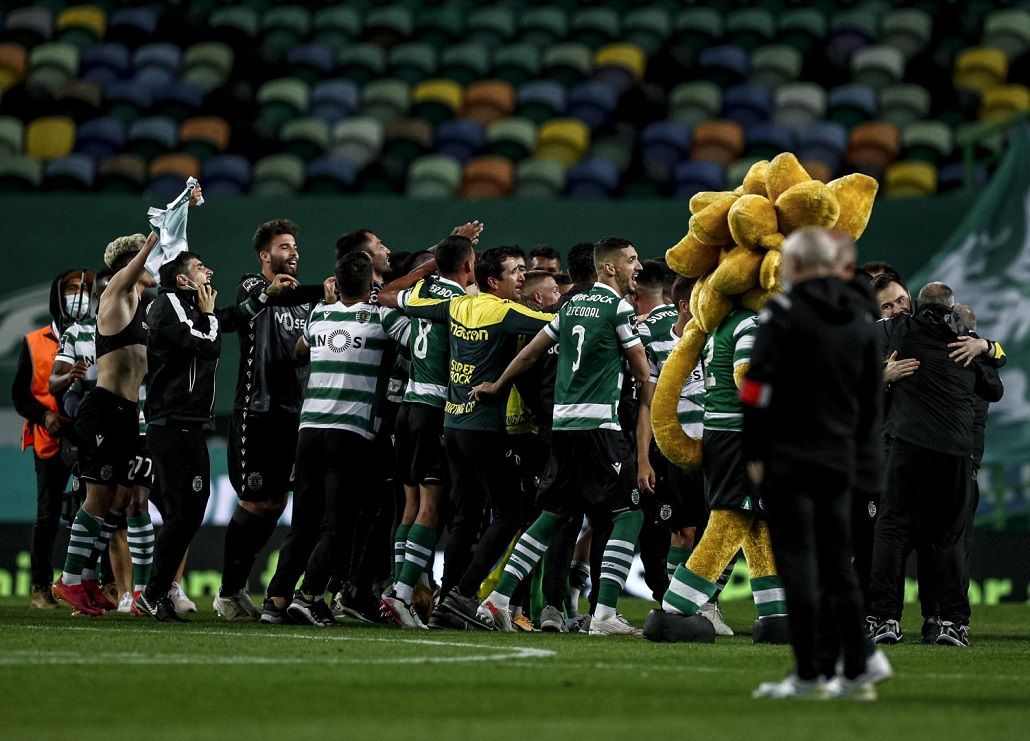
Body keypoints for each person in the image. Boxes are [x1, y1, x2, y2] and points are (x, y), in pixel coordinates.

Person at [472, 237, 650, 635]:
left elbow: (531, 352)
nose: (637, 267)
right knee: (628, 513)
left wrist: (497, 384)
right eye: (631, 260)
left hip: (564, 428)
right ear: (609, 269)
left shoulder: (569, 308)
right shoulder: (619, 309)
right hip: (600, 429)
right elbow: (641, 371)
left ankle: (498, 600)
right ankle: (604, 615)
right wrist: (647, 411)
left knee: (553, 514)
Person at [743, 228, 892, 700]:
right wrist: (867, 461)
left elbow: (755, 389)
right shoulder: (862, 318)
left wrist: (755, 451)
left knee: (798, 565)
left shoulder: (783, 313)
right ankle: (858, 663)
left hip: (790, 456)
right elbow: (872, 400)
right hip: (843, 457)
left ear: (793, 265)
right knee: (837, 565)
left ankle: (811, 674)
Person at [378, 245, 553, 630]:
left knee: (466, 514)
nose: (522, 277)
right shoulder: (505, 312)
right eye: (515, 272)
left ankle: (444, 598)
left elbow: (392, 298)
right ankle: (463, 593)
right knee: (510, 514)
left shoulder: (456, 305)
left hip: (452, 426)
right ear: (491, 279)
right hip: (484, 430)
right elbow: (552, 323)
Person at [264, 252, 410, 626]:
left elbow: (300, 350)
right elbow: (410, 338)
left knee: (304, 523)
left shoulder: (319, 314)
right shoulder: (382, 317)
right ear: (371, 284)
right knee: (340, 523)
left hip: (309, 429)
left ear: (336, 281)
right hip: (351, 433)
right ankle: (309, 596)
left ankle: (276, 601)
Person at [866, 282, 1004, 647]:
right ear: (953, 306)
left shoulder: (899, 329)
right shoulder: (968, 340)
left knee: (892, 530)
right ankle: (951, 622)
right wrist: (985, 346)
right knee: (949, 537)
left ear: (916, 304)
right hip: (956, 452)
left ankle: (883, 619)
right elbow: (995, 389)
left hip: (908, 445)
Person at [214, 219, 331, 621]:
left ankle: (239, 585)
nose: (292, 252)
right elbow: (273, 299)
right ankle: (228, 592)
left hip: (293, 413)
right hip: (256, 410)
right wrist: (325, 290)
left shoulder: (305, 304)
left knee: (275, 504)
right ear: (266, 256)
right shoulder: (253, 287)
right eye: (284, 247)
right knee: (253, 501)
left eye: (294, 246)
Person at [380, 236, 477, 628]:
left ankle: (398, 588)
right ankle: (403, 595)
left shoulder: (419, 293)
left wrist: (427, 266)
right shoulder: (458, 303)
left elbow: (384, 299)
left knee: (410, 504)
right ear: (469, 266)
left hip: (407, 407)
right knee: (431, 508)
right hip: (435, 409)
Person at [635, 274, 734, 636]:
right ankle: (680, 607)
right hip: (674, 451)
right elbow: (647, 404)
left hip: (716, 450)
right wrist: (644, 458)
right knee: (683, 533)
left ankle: (707, 602)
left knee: (725, 530)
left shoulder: (715, 339)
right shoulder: (655, 341)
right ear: (682, 305)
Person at [135, 251, 221, 622]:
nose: (209, 271)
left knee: (189, 512)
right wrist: (211, 316)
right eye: (201, 268)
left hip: (190, 424)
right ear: (183, 279)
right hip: (169, 423)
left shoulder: (185, 306)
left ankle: (157, 592)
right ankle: (153, 593)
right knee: (181, 513)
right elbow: (206, 343)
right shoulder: (167, 305)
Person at [12, 268, 93, 609]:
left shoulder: (96, 334)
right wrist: (44, 415)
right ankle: (41, 588)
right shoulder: (36, 341)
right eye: (72, 288)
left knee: (93, 512)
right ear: (57, 296)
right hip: (49, 434)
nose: (79, 294)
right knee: (47, 516)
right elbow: (20, 394)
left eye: (85, 289)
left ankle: (94, 584)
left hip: (88, 434)